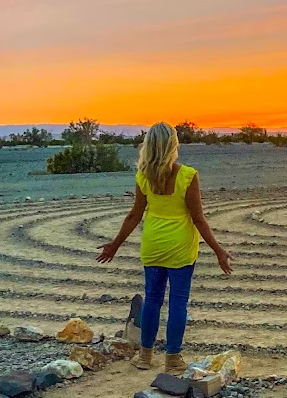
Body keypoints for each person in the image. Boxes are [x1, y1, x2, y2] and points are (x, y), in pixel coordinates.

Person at [96, 121, 232, 371]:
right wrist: (218, 250)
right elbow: (198, 218)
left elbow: (134, 215)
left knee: (152, 300)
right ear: (173, 145)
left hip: (153, 244)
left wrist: (115, 245)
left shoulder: (143, 175)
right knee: (178, 302)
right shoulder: (188, 176)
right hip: (180, 246)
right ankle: (172, 359)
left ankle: (145, 357)